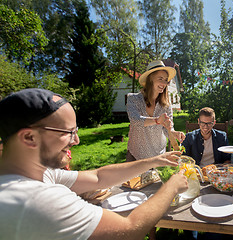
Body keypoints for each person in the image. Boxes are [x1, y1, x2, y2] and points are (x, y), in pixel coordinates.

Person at [0, 88, 188, 239]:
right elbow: (129, 230)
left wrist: (155, 160)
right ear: (29, 137)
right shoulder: (37, 200)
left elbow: (98, 177)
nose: (77, 141)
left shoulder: (38, 174)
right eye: (68, 132)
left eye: (77, 131)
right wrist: (171, 187)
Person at [126, 60, 185, 161]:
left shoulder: (166, 105)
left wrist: (174, 132)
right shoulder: (133, 99)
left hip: (158, 155)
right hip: (136, 155)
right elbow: (135, 121)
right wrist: (157, 120)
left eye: (166, 80)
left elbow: (167, 129)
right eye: (160, 78)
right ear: (150, 79)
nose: (164, 83)